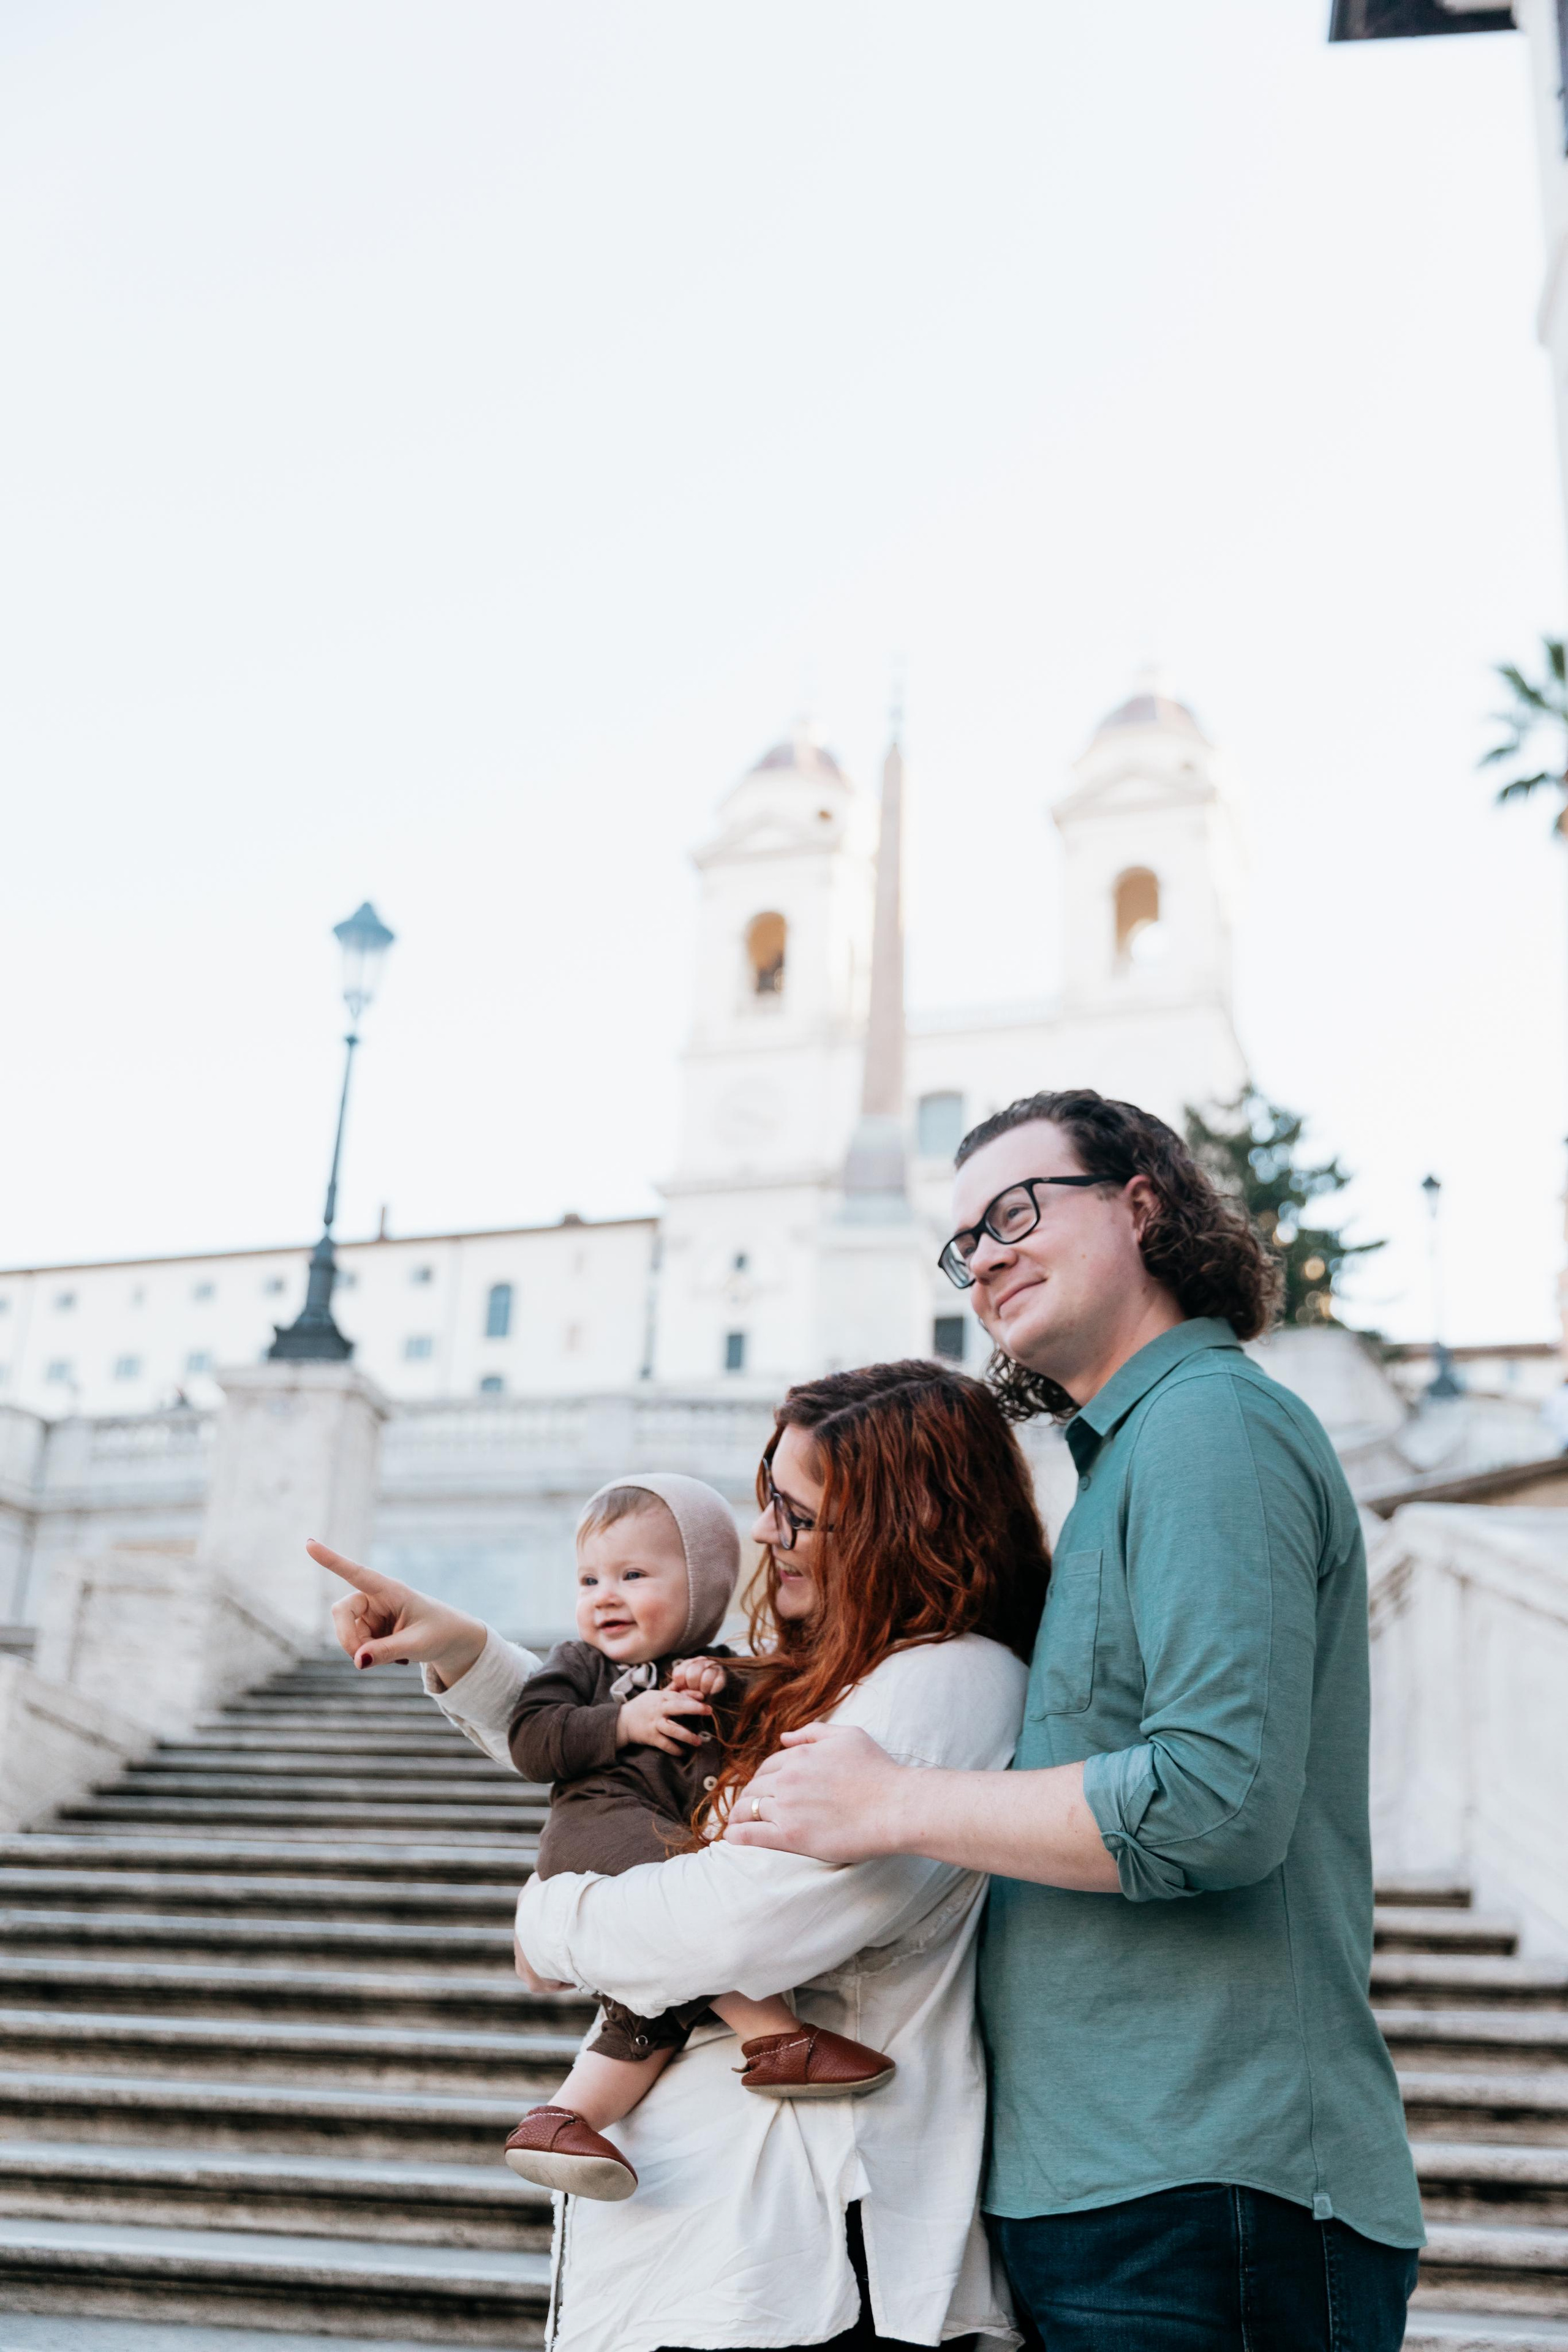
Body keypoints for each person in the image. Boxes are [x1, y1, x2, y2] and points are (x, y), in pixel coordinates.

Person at [726, 1090, 1427, 2352]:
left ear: (1141, 1205)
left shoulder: (1210, 1427)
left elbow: (1214, 1804)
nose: (984, 1256)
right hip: (1104, 2192)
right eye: (963, 1243)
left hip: (1207, 2193)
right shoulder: (1127, 1459)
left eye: (1014, 1213)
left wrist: (892, 1801)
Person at [313, 1360, 1048, 2352]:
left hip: (794, 2251)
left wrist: (549, 1917)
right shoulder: (849, 1668)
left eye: (797, 1514)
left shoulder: (945, 1680)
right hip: (719, 2247)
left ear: (900, 1524)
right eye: (768, 1502)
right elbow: (638, 1749)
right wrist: (465, 1651)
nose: (766, 1535)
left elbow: (734, 1921)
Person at [500, 1470, 893, 2203]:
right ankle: (774, 2037)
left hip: (664, 1845)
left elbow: (757, 1741)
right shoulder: (582, 1666)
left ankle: (562, 2121)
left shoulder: (727, 1670)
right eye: (588, 1579)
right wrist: (624, 1720)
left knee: (654, 2005)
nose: (604, 1596)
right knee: (689, 1924)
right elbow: (530, 1739)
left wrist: (722, 1689)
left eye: (632, 1575)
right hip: (599, 1831)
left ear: (703, 1589)